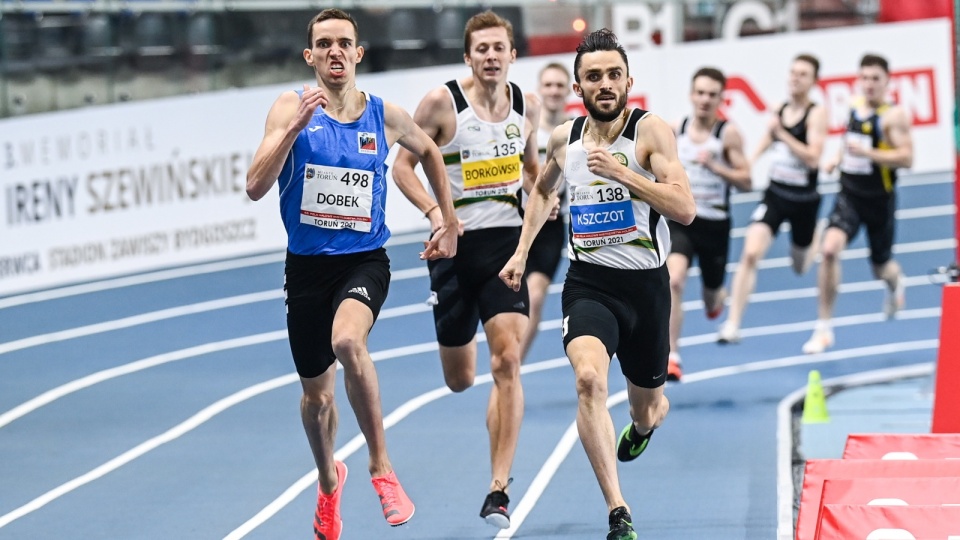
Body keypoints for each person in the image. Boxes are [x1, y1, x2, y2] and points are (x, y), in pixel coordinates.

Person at [245, 9, 459, 540]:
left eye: (345, 43)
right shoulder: (290, 107)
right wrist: (292, 131)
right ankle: (327, 480)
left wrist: (443, 218)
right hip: (307, 270)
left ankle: (381, 468)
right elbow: (254, 185)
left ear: (359, 54)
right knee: (317, 399)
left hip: (364, 260)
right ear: (310, 55)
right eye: (325, 44)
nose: (335, 51)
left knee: (348, 341)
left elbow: (430, 149)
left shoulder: (383, 115)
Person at [500, 28, 695, 540]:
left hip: (645, 288)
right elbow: (543, 192)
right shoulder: (564, 139)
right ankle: (618, 510)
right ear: (578, 85)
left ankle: (647, 425)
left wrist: (623, 174)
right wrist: (521, 252)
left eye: (613, 75)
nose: (604, 84)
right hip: (589, 283)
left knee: (647, 406)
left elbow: (685, 209)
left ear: (629, 80)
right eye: (593, 77)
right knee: (588, 379)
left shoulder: (652, 133)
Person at [390, 10, 541, 530]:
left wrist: (544, 203)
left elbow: (531, 167)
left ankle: (498, 487)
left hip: (504, 249)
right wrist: (439, 216)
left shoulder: (528, 105)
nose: (492, 57)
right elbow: (400, 167)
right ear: (468, 57)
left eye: (500, 48)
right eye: (482, 49)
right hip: (454, 250)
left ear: (513, 54)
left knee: (508, 363)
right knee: (461, 379)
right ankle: (494, 440)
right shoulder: (441, 104)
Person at [802, 53, 913, 354]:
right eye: (864, 78)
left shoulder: (894, 116)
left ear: (887, 81)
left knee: (881, 267)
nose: (869, 84)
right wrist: (836, 159)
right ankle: (824, 327)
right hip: (849, 195)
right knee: (828, 249)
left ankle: (895, 284)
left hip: (879, 200)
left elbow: (907, 158)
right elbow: (847, 143)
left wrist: (871, 156)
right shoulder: (853, 107)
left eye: (876, 79)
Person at [717, 54, 828, 344]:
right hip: (776, 194)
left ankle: (814, 235)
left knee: (801, 267)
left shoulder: (816, 114)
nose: (795, 78)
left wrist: (784, 135)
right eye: (793, 72)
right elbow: (769, 137)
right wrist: (751, 160)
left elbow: (814, 158)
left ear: (813, 81)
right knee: (750, 253)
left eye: (803, 74)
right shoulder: (780, 109)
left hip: (804, 199)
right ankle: (733, 324)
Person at [666, 67, 751, 380]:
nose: (704, 100)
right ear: (691, 94)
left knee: (712, 299)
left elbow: (747, 180)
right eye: (699, 93)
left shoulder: (727, 134)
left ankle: (717, 298)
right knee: (673, 280)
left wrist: (716, 167)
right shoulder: (677, 128)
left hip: (715, 225)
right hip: (682, 219)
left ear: (721, 98)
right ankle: (672, 355)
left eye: (711, 95)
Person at [520, 62, 573, 362]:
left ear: (568, 91)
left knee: (535, 296)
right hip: (514, 221)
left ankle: (515, 364)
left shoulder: (574, 132)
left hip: (550, 225)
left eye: (559, 86)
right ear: (541, 89)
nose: (553, 91)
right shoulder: (526, 131)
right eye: (548, 85)